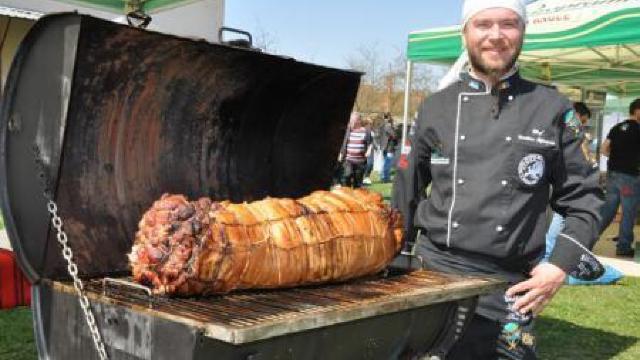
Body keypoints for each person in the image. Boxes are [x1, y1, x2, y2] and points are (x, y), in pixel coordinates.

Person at [392, 1, 604, 358]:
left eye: (508, 24)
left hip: (509, 286)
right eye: (483, 24)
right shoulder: (435, 107)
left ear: (522, 32)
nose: (496, 36)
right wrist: (392, 262)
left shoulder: (553, 108)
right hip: (432, 275)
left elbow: (586, 198)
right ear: (465, 33)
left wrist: (559, 266)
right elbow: (405, 193)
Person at [598, 98, 640, 257]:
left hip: (612, 175)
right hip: (630, 177)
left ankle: (586, 240)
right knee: (629, 212)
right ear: (637, 111)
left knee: (608, 211)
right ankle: (623, 247)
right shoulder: (638, 129)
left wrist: (616, 158)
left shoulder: (616, 127)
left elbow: (603, 149)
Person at [339, 112, 373, 188]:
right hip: (348, 160)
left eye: (353, 120)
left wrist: (369, 150)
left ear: (358, 121)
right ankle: (347, 195)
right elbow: (344, 143)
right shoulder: (348, 130)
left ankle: (355, 196)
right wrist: (341, 154)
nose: (351, 122)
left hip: (360, 162)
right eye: (350, 120)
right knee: (346, 176)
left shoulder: (366, 131)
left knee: (357, 182)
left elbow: (370, 143)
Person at [379, 113, 399, 182]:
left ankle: (384, 177)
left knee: (385, 162)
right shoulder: (388, 126)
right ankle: (385, 177)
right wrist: (395, 128)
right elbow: (394, 135)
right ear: (389, 118)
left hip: (384, 147)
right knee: (387, 163)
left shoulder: (382, 125)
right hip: (388, 147)